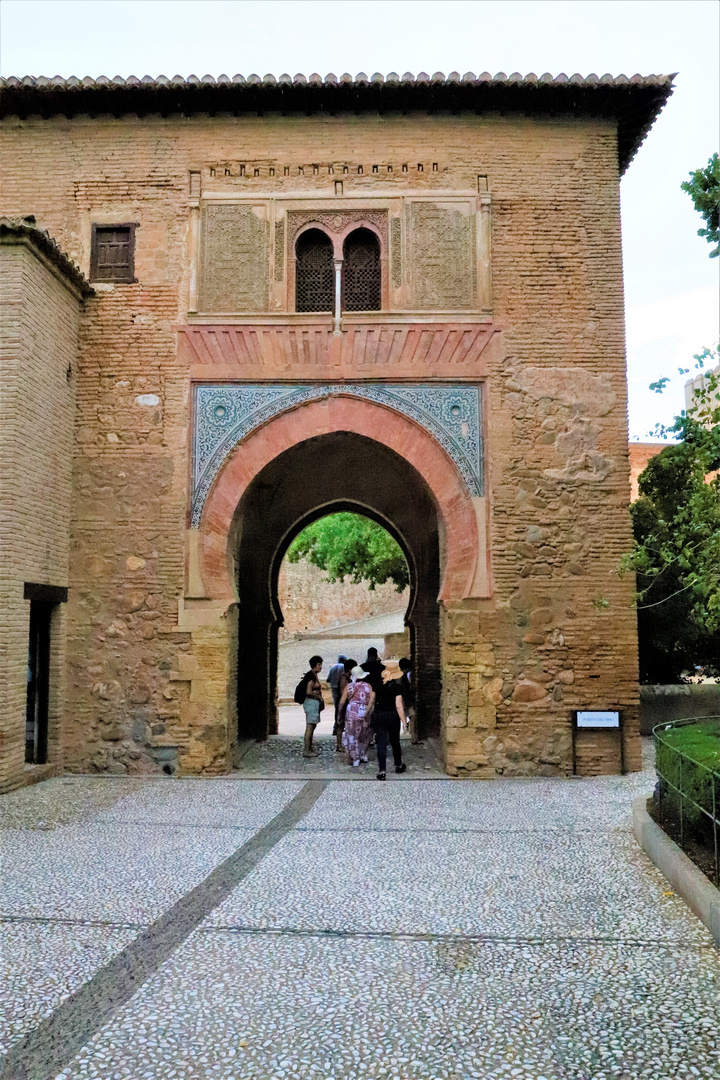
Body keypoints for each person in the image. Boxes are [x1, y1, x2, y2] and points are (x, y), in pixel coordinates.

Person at [371, 668, 407, 780]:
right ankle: (398, 765)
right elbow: (399, 705)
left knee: (381, 743)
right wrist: (404, 722)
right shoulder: (397, 688)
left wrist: (368, 713)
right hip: (392, 716)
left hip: (379, 715)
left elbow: (372, 701)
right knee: (395, 741)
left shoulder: (377, 685)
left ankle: (382, 771)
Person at [339, 665, 374, 768]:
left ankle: (355, 757)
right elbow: (372, 699)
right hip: (364, 710)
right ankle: (363, 754)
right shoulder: (368, 686)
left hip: (352, 711)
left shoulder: (349, 686)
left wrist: (339, 713)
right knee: (364, 733)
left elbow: (342, 701)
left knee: (352, 734)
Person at [301, 655, 324, 758]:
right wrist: (318, 697)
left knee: (312, 726)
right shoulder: (311, 676)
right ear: (315, 665)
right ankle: (306, 750)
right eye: (319, 664)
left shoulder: (314, 675)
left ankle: (309, 747)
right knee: (310, 726)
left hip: (313, 704)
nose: (320, 667)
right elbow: (309, 692)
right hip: (311, 703)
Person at [334, 657, 356, 752]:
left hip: (346, 703)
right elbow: (343, 692)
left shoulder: (348, 678)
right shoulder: (344, 678)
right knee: (341, 724)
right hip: (344, 704)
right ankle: (339, 745)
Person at [398, 656, 419, 744]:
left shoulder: (399, 676)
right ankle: (414, 738)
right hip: (405, 700)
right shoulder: (402, 677)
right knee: (413, 716)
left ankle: (412, 737)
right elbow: (405, 690)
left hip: (402, 700)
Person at [327, 654, 346, 732]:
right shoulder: (344, 667)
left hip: (334, 689)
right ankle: (341, 725)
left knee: (336, 708)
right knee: (343, 707)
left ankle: (336, 726)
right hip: (343, 689)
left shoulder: (332, 667)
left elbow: (328, 679)